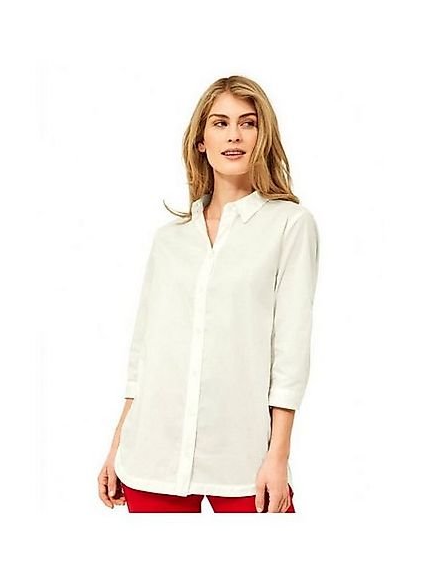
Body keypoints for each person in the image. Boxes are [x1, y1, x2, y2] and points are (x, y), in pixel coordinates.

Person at [98, 75, 320, 513]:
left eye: (248, 123)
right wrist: (117, 446)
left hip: (242, 459)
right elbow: (144, 354)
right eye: (220, 123)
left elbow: (290, 353)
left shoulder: (290, 225)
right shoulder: (170, 239)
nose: (234, 135)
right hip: (151, 456)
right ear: (201, 141)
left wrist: (278, 457)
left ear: (263, 137)